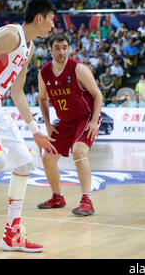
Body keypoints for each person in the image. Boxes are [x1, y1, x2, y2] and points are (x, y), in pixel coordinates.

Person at [0, 0, 58, 258]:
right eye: (52, 20)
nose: (53, 26)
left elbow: (18, 93)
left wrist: (35, 130)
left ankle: (12, 234)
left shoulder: (28, 47)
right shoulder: (11, 35)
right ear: (40, 18)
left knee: (23, 163)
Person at [37, 34, 103, 216]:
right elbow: (42, 99)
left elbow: (98, 94)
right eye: (57, 48)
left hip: (86, 116)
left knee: (79, 151)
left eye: (65, 47)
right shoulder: (44, 72)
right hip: (65, 121)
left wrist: (93, 121)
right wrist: (48, 124)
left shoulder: (78, 69)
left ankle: (87, 201)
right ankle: (57, 197)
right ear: (50, 49)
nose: (61, 51)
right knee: (48, 157)